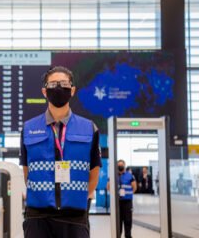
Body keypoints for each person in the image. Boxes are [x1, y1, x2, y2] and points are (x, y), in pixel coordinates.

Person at [19, 66, 101, 238]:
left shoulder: (89, 128)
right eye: (53, 84)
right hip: (37, 218)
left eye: (63, 83)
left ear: (72, 90)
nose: (58, 87)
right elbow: (27, 174)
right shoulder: (29, 128)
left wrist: (74, 196)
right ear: (44, 91)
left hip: (74, 218)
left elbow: (93, 174)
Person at [107, 160, 137, 238]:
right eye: (118, 165)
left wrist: (128, 194)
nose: (120, 166)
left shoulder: (130, 175)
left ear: (124, 166)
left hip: (127, 202)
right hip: (117, 202)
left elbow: (134, 187)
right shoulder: (114, 175)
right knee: (118, 221)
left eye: (121, 165)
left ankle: (128, 235)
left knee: (128, 221)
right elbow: (108, 187)